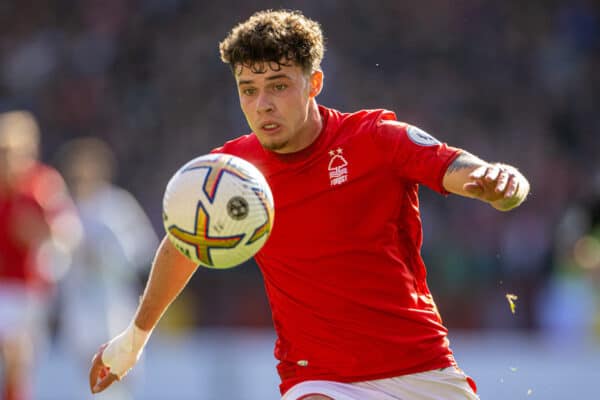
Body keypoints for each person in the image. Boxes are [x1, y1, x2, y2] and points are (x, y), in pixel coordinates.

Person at [89, 9, 530, 400]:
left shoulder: (374, 139)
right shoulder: (231, 172)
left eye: (278, 86)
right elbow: (183, 243)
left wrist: (499, 182)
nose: (262, 105)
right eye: (248, 89)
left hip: (420, 368)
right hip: (319, 380)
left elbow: (461, 168)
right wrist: (134, 339)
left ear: (314, 82)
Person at [55, 137, 159, 400]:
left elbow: (143, 252)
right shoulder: (64, 208)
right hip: (80, 303)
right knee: (85, 369)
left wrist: (106, 255)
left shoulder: (117, 206)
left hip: (115, 301)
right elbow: (54, 258)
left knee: (120, 366)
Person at [0, 110, 81, 400]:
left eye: (14, 151)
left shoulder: (43, 184)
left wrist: (39, 233)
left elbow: (68, 235)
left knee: (17, 359)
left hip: (27, 289)